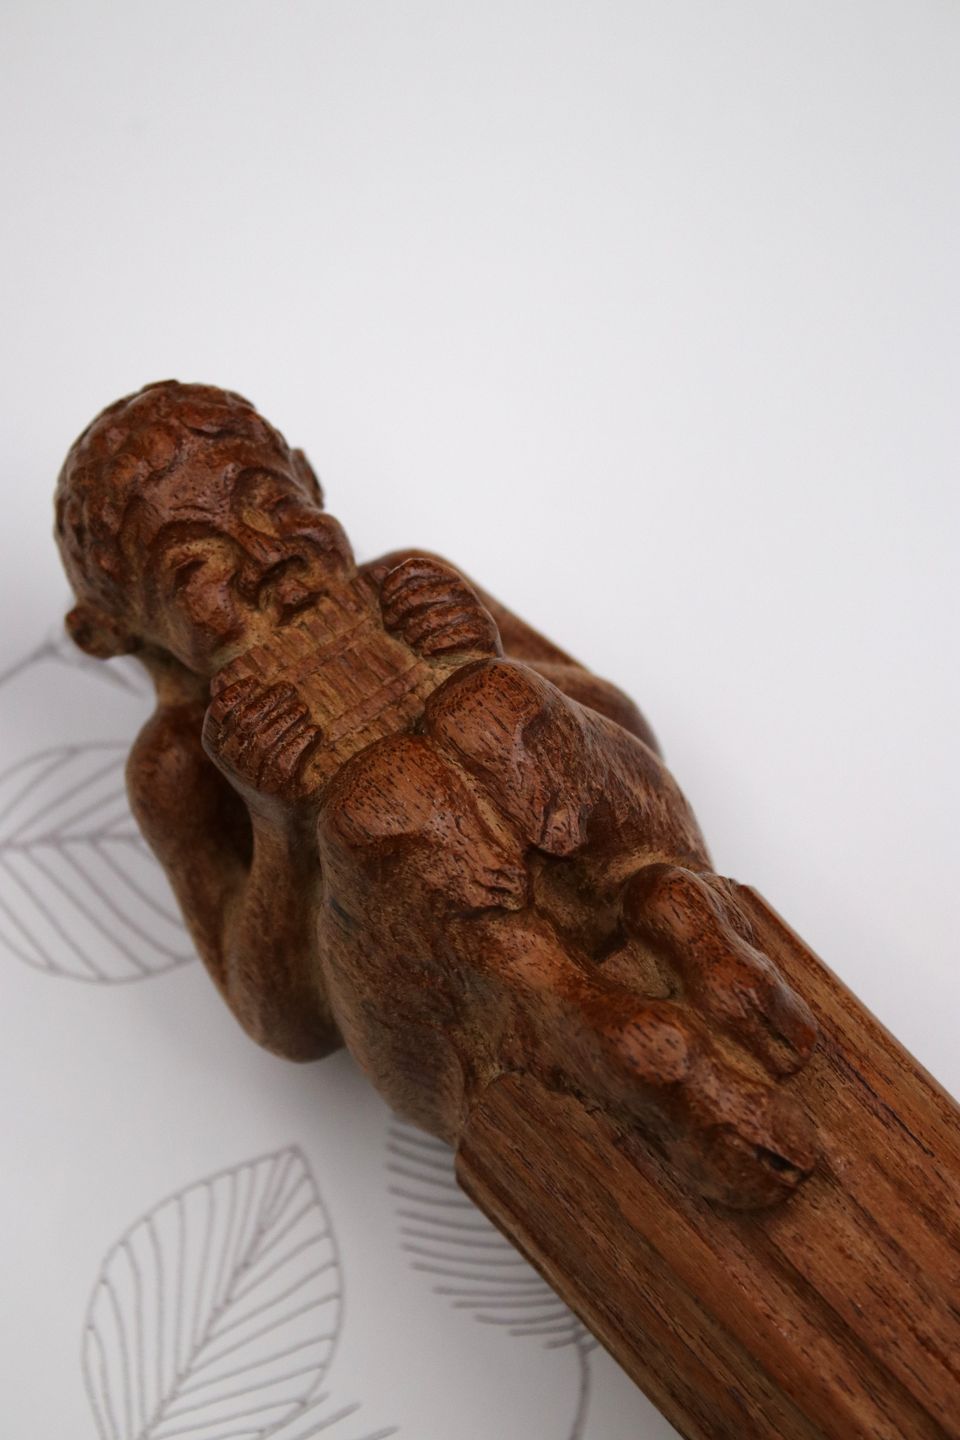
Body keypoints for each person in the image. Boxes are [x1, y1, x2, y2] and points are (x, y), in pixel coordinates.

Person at [55, 380, 817, 1208]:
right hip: (445, 1008)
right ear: (112, 631)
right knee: (379, 802)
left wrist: (479, 654)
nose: (269, 559)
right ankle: (577, 1015)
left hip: (608, 849)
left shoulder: (408, 587)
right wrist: (279, 824)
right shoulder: (180, 764)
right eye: (196, 568)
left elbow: (621, 728)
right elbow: (280, 1019)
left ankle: (674, 911)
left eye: (277, 508)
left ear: (311, 479)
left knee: (494, 702)